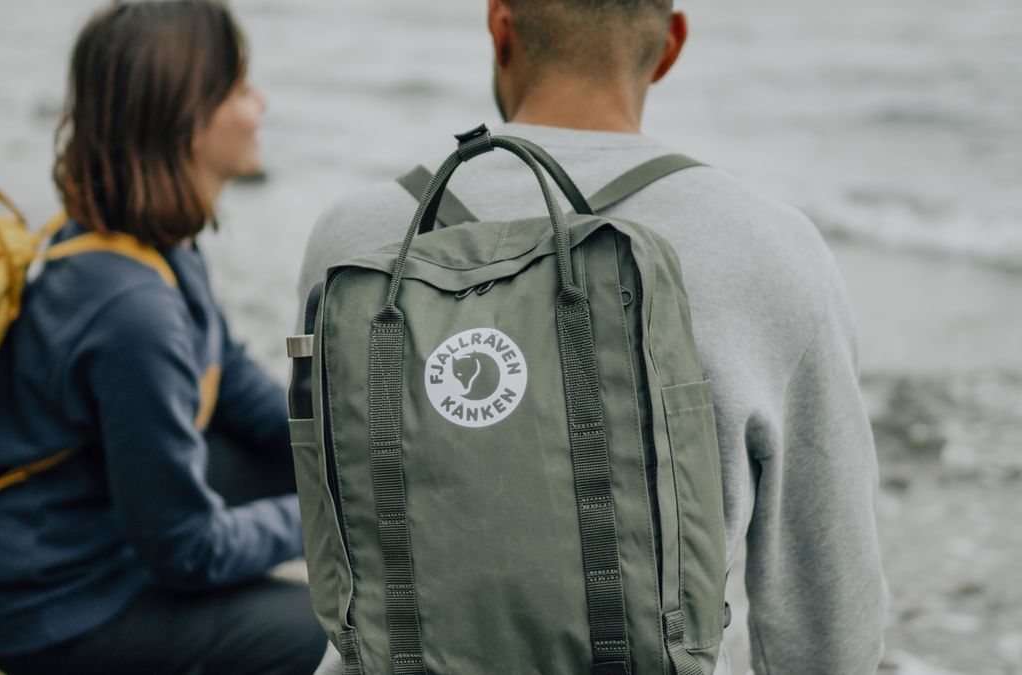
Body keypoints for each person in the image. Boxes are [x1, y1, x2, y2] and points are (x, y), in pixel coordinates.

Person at [297, 1, 888, 673]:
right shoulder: (774, 249)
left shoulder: (353, 240)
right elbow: (829, 616)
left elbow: (333, 519)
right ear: (670, 43)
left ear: (500, 26)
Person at [0, 2, 328, 673]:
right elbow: (186, 551)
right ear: (187, 119)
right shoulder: (131, 310)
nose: (260, 104)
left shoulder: (144, 238)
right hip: (57, 609)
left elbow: (228, 373)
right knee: (332, 642)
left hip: (79, 532)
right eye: (239, 88)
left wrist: (335, 449)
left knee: (304, 463)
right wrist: (329, 520)